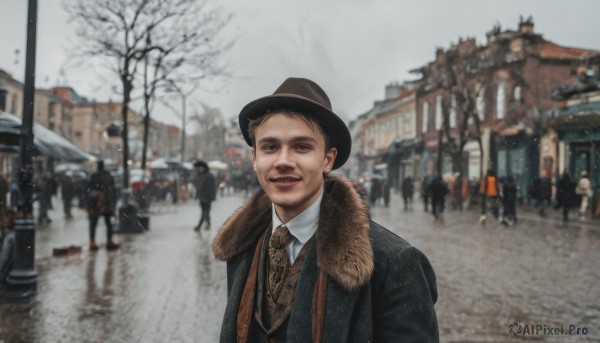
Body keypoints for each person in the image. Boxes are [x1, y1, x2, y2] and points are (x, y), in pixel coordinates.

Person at [211, 77, 438, 342]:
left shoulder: (393, 262)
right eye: (270, 147)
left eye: (302, 147)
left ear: (328, 159)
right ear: (255, 159)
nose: (283, 161)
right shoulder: (242, 246)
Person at [86, 161, 119, 251]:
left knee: (93, 223)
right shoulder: (108, 176)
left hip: (95, 203)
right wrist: (112, 203)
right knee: (108, 223)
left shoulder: (94, 176)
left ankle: (92, 242)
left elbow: (89, 190)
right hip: (106, 203)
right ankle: (109, 241)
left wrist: (89, 203)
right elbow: (113, 190)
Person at [193, 160, 216, 232]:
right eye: (199, 168)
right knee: (205, 212)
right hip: (201, 197)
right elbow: (198, 187)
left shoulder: (210, 176)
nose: (200, 169)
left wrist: (212, 196)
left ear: (205, 168)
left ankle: (199, 226)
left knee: (204, 212)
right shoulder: (199, 175)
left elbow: (213, 187)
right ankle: (208, 224)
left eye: (201, 167)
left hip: (208, 197)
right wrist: (197, 195)